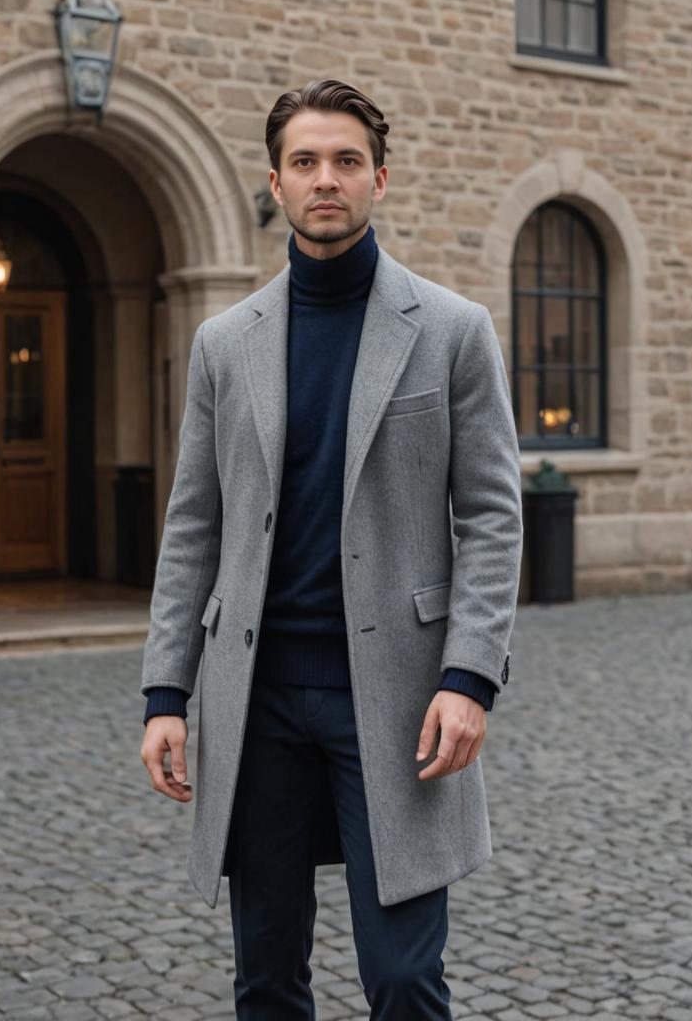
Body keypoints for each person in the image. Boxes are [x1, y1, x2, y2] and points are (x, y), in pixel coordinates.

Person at [139, 78, 523, 1021]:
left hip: (396, 696)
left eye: (346, 161)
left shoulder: (452, 331)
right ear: (275, 181)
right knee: (266, 978)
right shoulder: (225, 342)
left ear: (379, 179)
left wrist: (469, 677)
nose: (326, 180)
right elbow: (194, 521)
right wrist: (164, 692)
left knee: (401, 977)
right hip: (254, 695)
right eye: (305, 162)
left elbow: (493, 514)